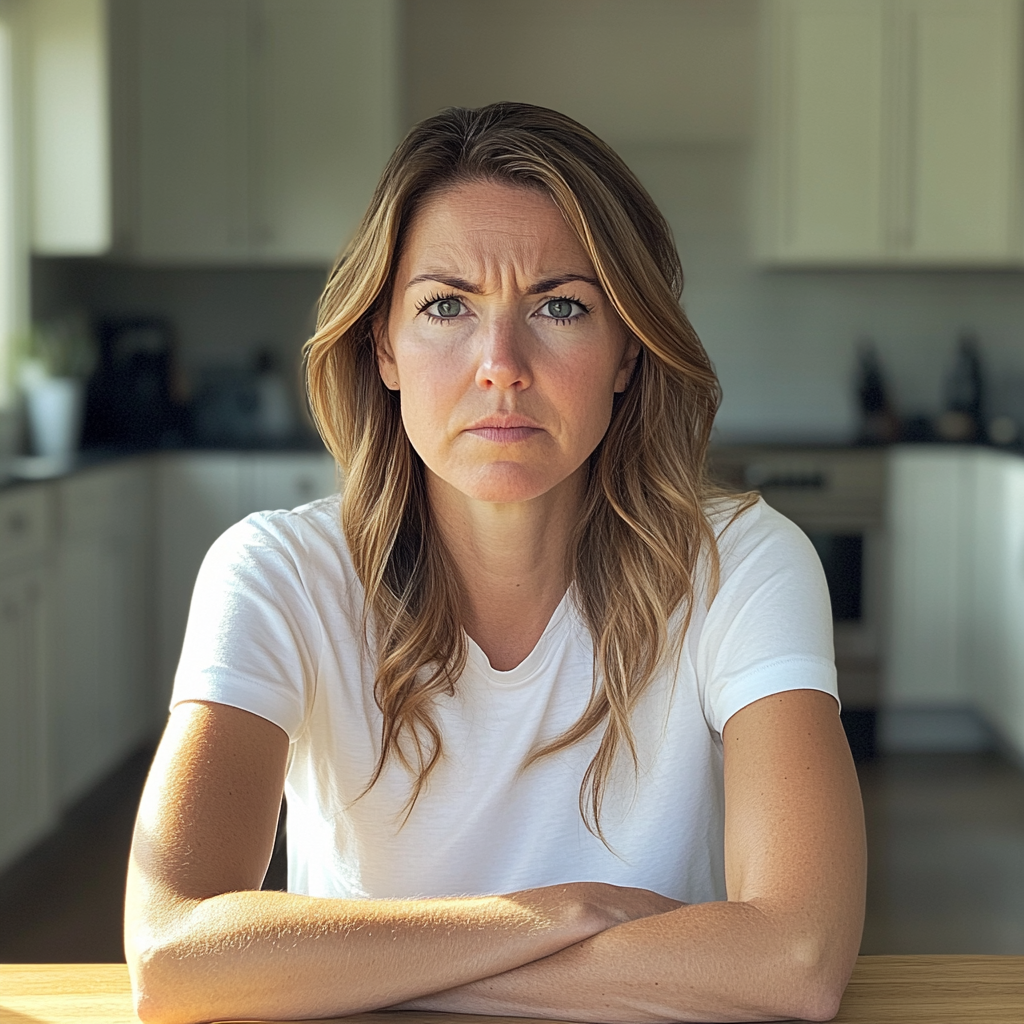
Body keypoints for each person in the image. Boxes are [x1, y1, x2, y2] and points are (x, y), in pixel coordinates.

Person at [125, 102, 866, 1024]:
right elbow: (173, 957)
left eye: (561, 305)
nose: (501, 364)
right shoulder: (275, 573)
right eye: (447, 306)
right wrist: (566, 912)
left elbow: (796, 960)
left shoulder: (743, 563)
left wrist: (365, 968)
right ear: (384, 345)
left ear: (628, 350)